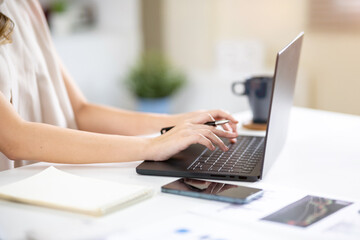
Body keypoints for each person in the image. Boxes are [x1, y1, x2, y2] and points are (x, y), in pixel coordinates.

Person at [0, 0, 238, 171]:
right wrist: (152, 146)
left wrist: (174, 123)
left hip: (47, 183)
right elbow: (15, 138)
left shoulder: (26, 6)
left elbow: (80, 111)